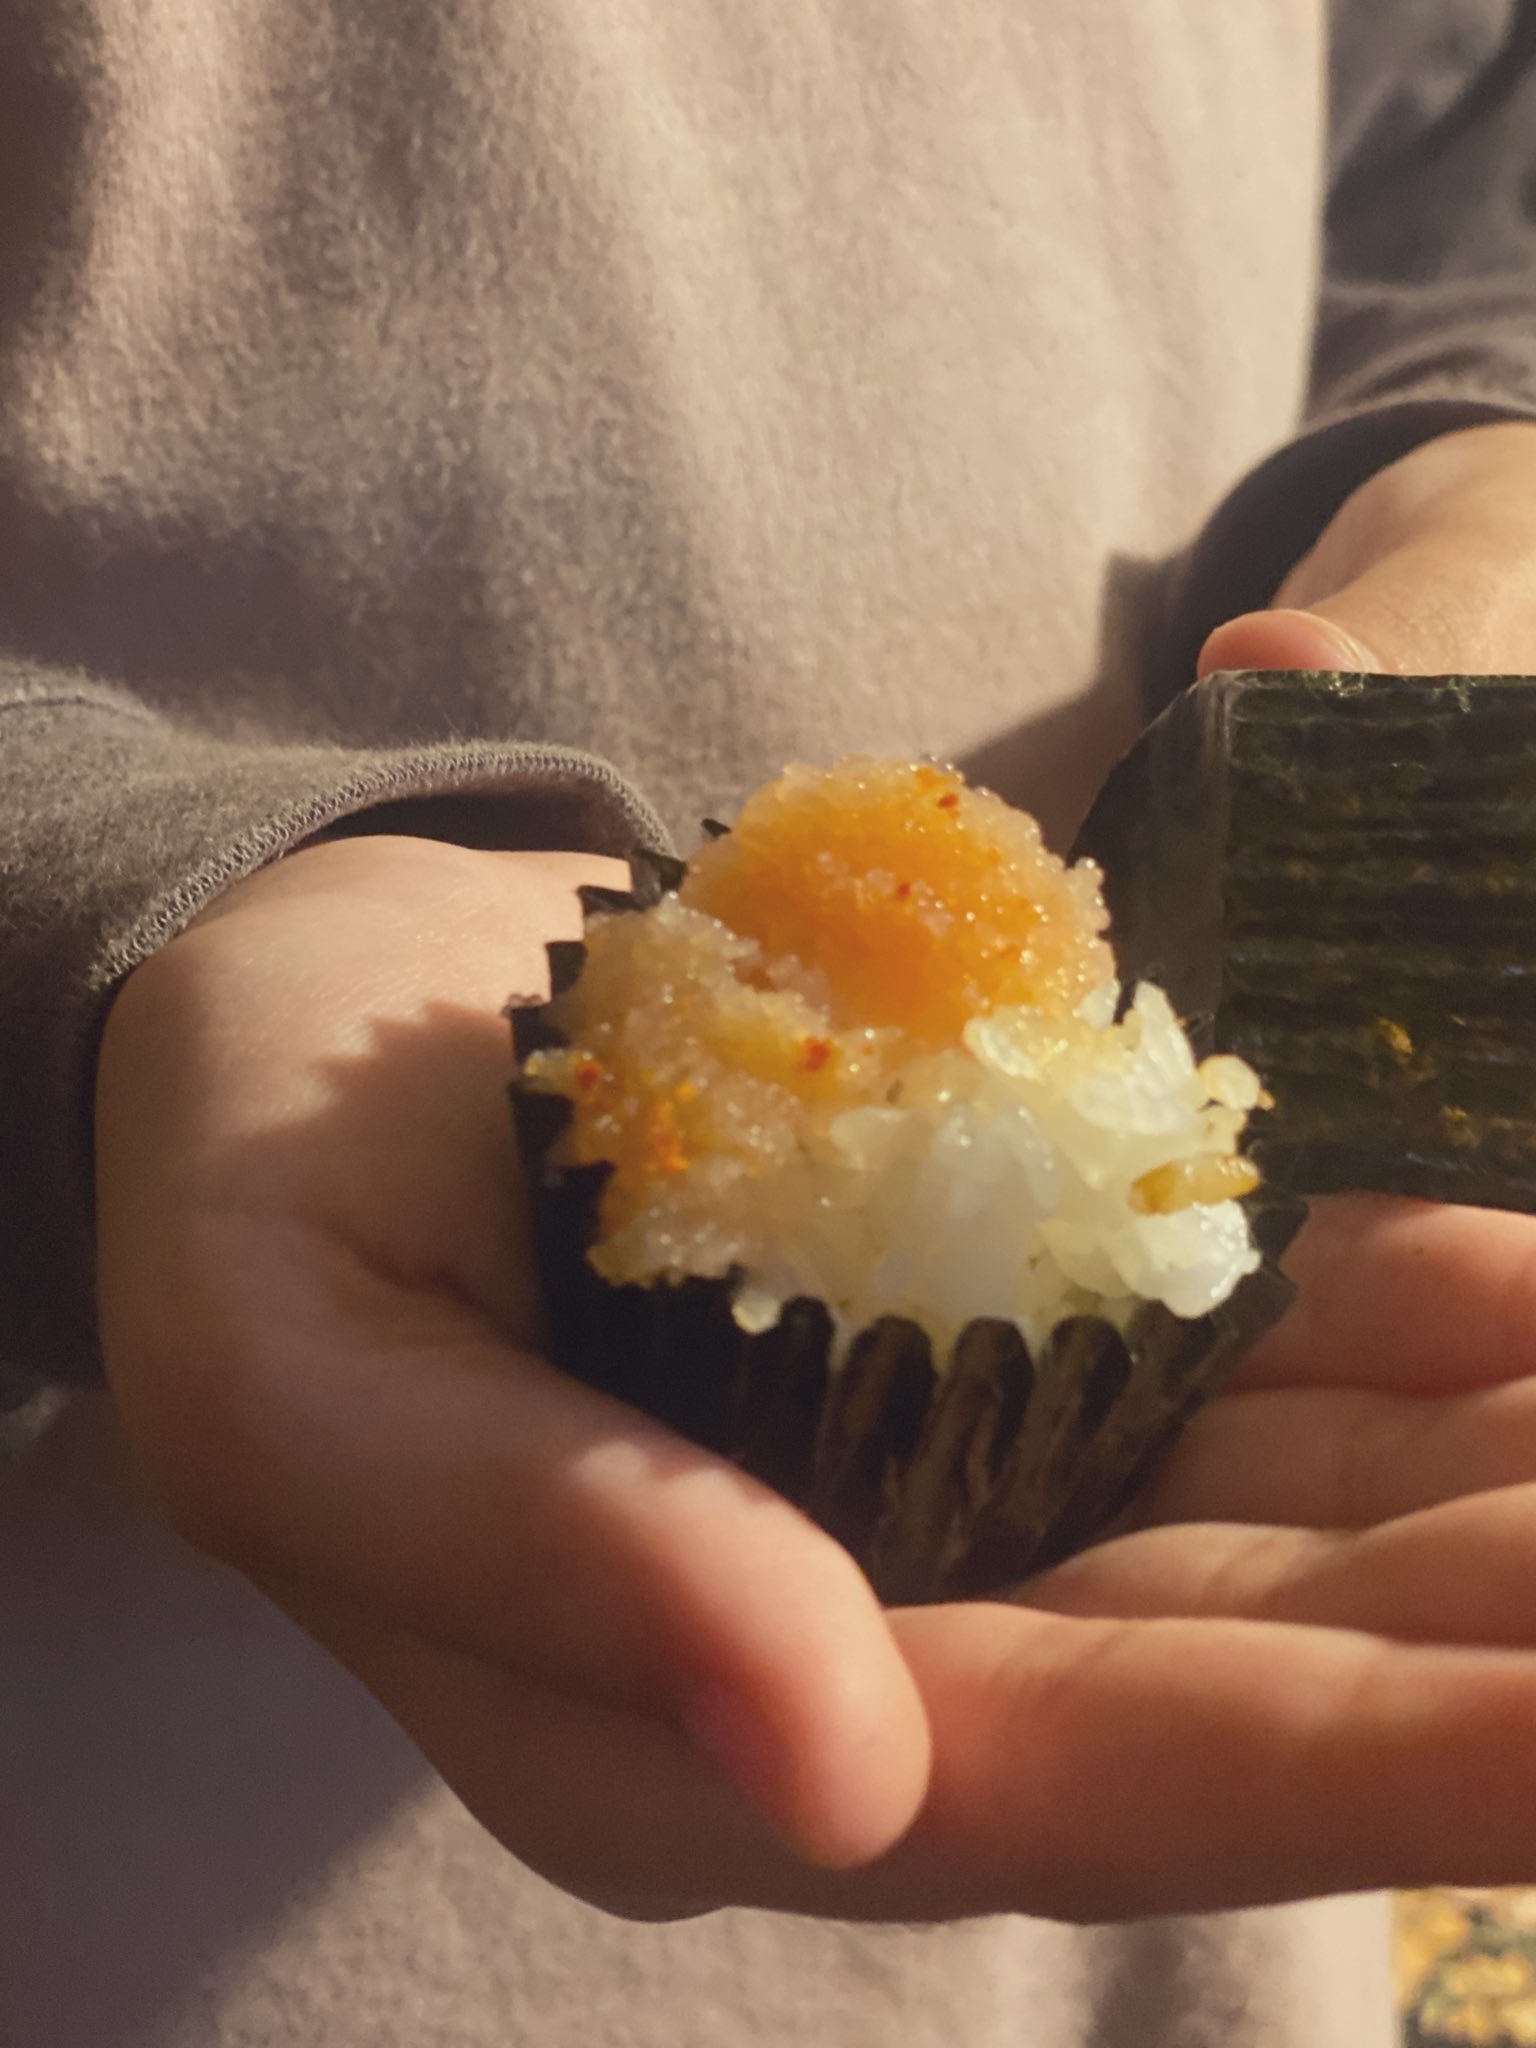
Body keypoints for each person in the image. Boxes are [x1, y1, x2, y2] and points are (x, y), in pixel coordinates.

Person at [2, 1, 1535, 2041]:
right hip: (166, 1850)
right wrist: (82, 935)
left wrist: (1466, 449)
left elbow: (1445, 137)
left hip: (1198, 1902)